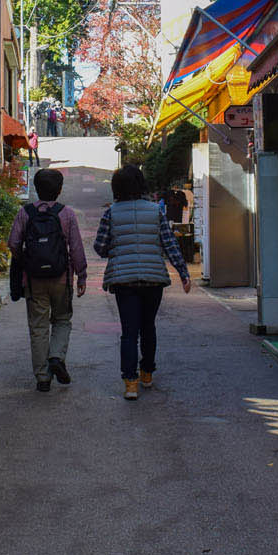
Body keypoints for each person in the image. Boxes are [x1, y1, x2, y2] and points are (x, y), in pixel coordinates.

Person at [92, 164, 191, 400]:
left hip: (124, 281)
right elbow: (169, 244)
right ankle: (147, 372)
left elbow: (100, 246)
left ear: (117, 188)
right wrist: (184, 273)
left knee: (129, 332)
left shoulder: (111, 213)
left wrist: (116, 251)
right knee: (148, 327)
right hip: (153, 278)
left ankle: (130, 384)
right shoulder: (155, 210)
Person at [8, 167, 87, 392]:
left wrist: (27, 261)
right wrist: (81, 275)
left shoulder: (25, 213)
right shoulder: (67, 213)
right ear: (60, 190)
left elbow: (13, 243)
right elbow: (77, 249)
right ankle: (56, 357)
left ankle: (42, 377)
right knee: (62, 320)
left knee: (38, 326)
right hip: (62, 279)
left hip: (34, 280)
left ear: (36, 188)